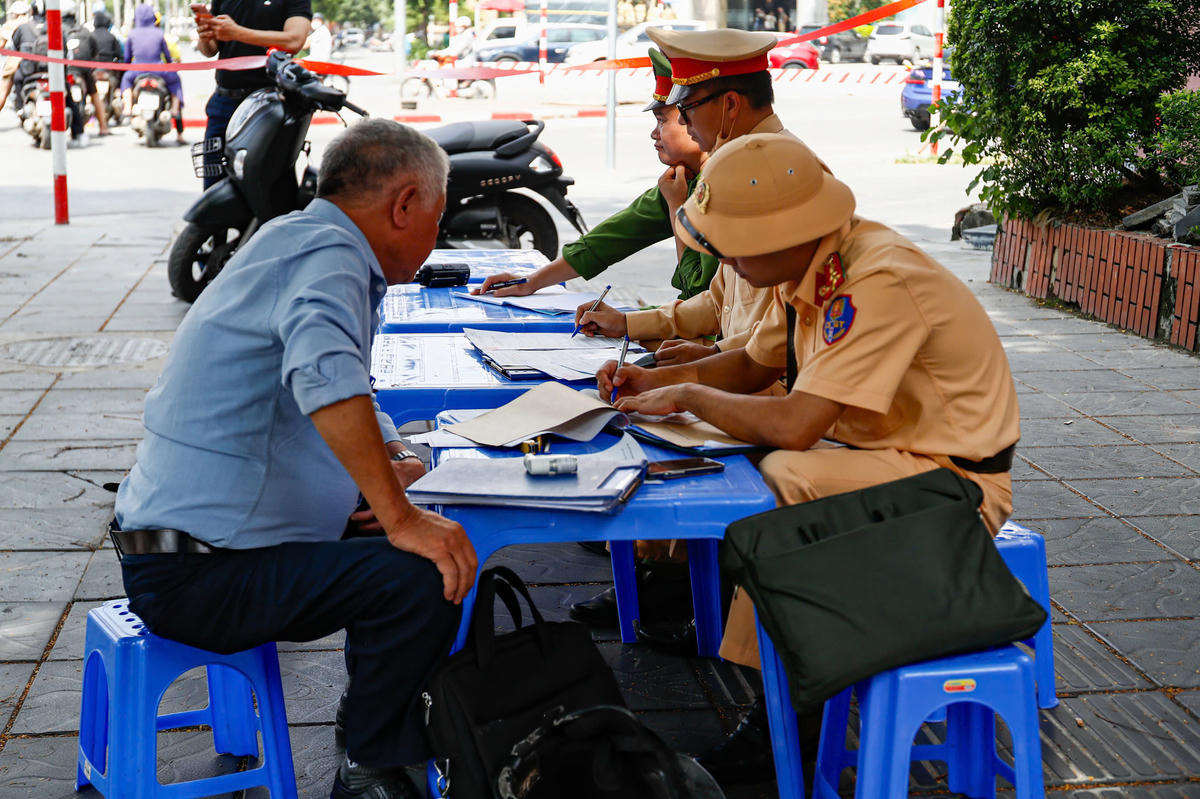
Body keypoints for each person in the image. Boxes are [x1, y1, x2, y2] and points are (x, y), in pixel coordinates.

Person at [599, 133, 1020, 785]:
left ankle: (785, 716)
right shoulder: (815, 263)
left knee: (786, 475)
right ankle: (782, 697)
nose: (725, 263)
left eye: (729, 248)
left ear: (772, 239)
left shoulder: (874, 277)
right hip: (887, 462)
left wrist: (688, 394)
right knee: (766, 475)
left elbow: (797, 425)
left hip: (955, 488)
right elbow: (750, 362)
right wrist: (652, 385)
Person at [113, 119, 477, 799]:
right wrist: (400, 515)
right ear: (403, 205)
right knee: (421, 573)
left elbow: (345, 384)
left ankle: (371, 725)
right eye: (435, 217)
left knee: (415, 539)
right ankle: (370, 763)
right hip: (197, 572)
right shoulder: (328, 257)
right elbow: (328, 380)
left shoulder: (307, 240)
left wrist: (392, 456)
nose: (434, 238)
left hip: (197, 545)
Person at [194, 0, 310, 188]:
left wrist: (237, 32)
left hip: (270, 106)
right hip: (224, 103)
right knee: (213, 188)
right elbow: (210, 50)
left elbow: (294, 40)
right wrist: (206, 36)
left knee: (269, 188)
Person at [120, 4, 182, 143]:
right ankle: (175, 109)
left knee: (126, 80)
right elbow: (167, 56)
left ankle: (128, 109)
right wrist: (170, 64)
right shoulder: (159, 33)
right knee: (176, 80)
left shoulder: (132, 34)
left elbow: (127, 58)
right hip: (159, 70)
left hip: (137, 71)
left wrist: (129, 66)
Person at [61, 0, 110, 135]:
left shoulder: (57, 30)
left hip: (64, 71)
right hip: (83, 70)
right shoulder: (85, 31)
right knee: (94, 95)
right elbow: (94, 52)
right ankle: (103, 127)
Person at [0, 0, 31, 115]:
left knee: (3, 92)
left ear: (15, 13)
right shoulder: (31, 23)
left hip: (15, 61)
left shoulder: (10, 24)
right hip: (34, 62)